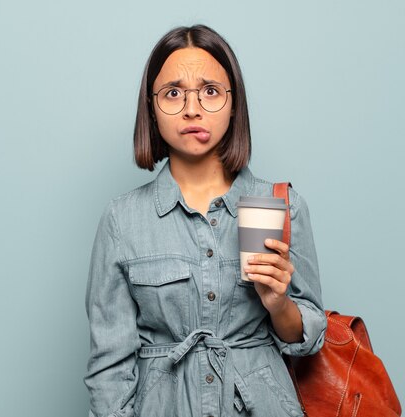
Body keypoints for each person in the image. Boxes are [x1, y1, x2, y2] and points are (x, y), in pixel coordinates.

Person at [85, 24, 326, 417]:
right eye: (173, 93)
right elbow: (108, 369)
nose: (192, 108)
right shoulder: (121, 220)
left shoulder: (281, 205)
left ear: (234, 104)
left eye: (210, 91)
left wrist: (278, 303)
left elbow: (310, 340)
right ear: (152, 107)